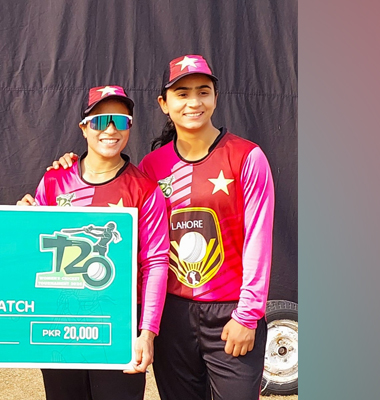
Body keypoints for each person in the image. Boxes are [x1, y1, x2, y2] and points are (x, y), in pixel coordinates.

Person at [48, 55, 275, 400]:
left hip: (231, 312)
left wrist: (248, 316)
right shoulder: (151, 167)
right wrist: (64, 169)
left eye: (203, 91)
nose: (193, 102)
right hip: (173, 317)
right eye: (182, 94)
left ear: (216, 96)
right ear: (164, 104)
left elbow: (259, 240)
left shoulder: (247, 156)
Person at [17, 86, 170, 400]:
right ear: (84, 128)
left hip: (117, 328)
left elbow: (155, 263)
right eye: (101, 121)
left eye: (121, 121)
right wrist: (23, 223)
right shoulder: (54, 180)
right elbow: (35, 252)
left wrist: (146, 333)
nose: (111, 130)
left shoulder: (144, 189)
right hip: (59, 327)